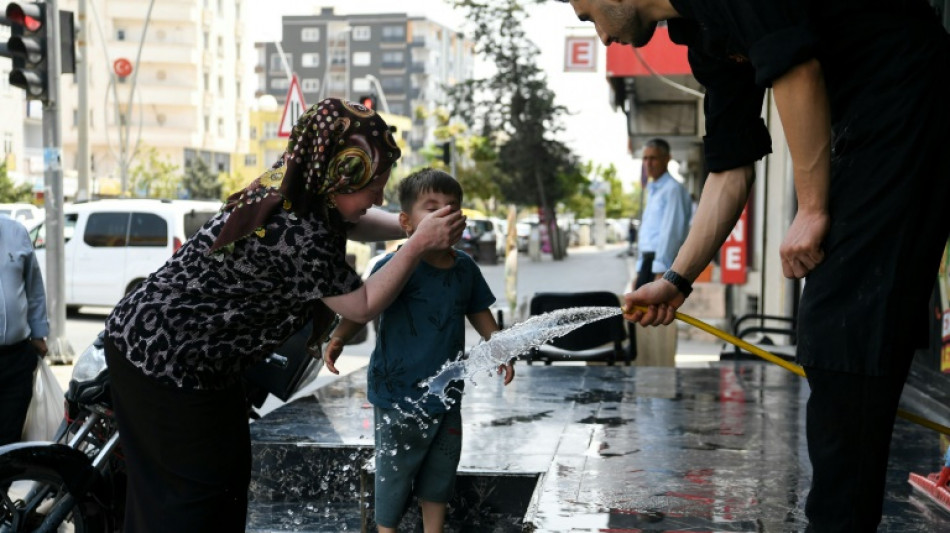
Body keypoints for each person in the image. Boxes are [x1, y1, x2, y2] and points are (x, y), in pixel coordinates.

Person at [560, 0, 950, 530]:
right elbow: (730, 168)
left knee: (844, 321)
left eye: (588, 17)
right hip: (867, 123)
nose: (601, 38)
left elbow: (797, 66)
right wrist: (676, 280)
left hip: (911, 97)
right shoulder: (701, 36)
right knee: (841, 322)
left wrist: (812, 209)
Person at [102, 99, 465, 532]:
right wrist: (418, 242)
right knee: (190, 497)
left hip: (193, 361)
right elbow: (361, 304)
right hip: (165, 361)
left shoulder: (298, 190)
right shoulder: (300, 233)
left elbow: (352, 221)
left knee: (224, 482)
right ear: (341, 175)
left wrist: (410, 224)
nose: (380, 197)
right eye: (374, 185)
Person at [323, 168, 515, 533]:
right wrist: (339, 337)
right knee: (394, 472)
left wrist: (500, 349)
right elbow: (365, 304)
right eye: (433, 207)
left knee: (440, 470)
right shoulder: (397, 265)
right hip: (397, 395)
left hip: (446, 396)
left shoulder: (465, 269)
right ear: (407, 223)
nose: (445, 213)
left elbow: (480, 314)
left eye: (453, 207)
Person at [632, 138, 691, 366]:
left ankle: (658, 377)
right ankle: (645, 373)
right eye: (645, 158)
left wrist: (661, 274)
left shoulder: (672, 190)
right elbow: (648, 235)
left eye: (653, 157)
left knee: (657, 325)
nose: (648, 163)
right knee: (641, 324)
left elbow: (671, 234)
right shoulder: (654, 190)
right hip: (648, 263)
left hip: (661, 265)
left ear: (667, 159)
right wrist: (639, 271)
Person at [0, 214, 49, 446]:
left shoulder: (16, 232)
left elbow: (34, 287)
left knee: (9, 441)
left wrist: (38, 333)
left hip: (17, 358)